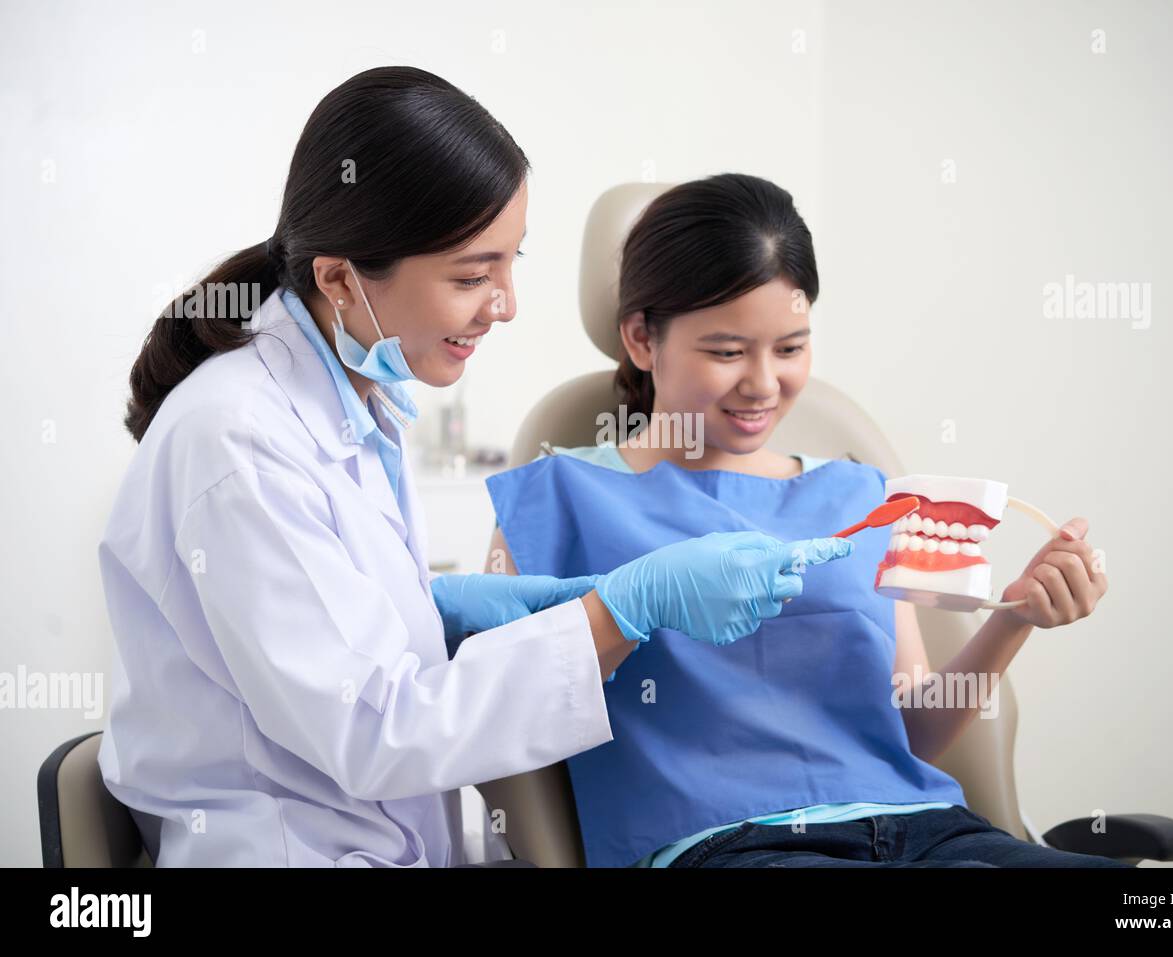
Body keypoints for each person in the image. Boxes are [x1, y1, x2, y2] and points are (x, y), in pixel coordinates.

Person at [97, 71, 850, 867]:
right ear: (339, 277)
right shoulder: (236, 440)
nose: (506, 304)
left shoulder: (355, 399)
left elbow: (337, 621)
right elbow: (374, 730)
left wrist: (449, 607)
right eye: (471, 275)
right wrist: (620, 609)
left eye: (510, 263)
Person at [483, 173, 1127, 868]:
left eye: (790, 348)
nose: (764, 383)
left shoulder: (861, 494)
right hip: (727, 846)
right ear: (642, 338)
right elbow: (497, 710)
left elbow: (909, 732)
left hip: (930, 829)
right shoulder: (554, 500)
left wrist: (1014, 617)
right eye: (728, 351)